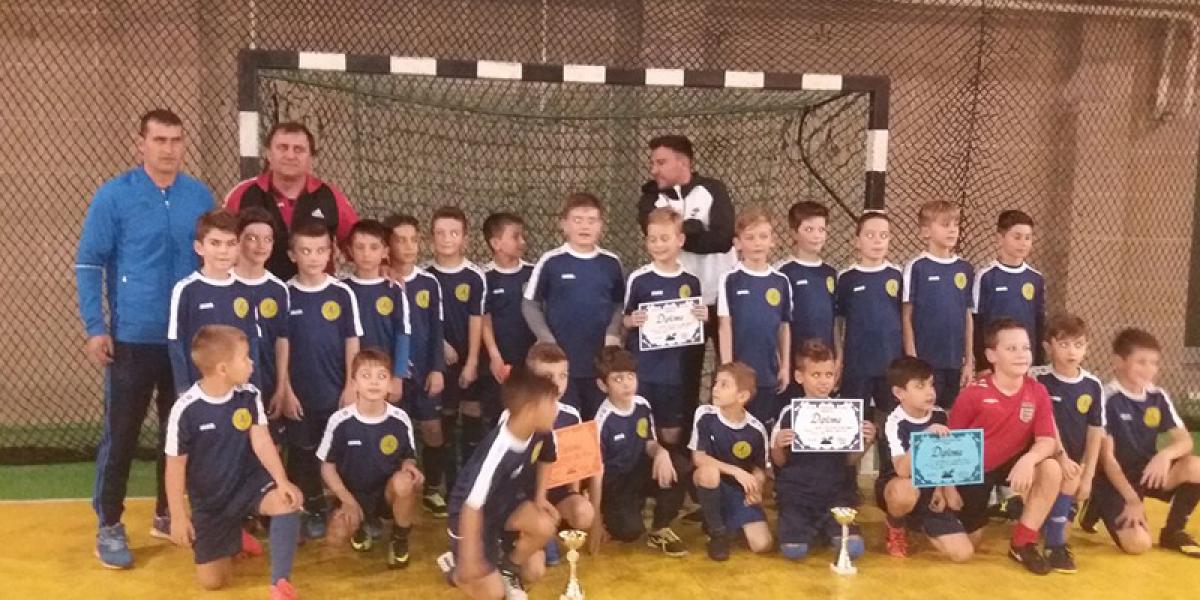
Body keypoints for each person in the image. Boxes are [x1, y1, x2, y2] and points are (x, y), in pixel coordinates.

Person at [75, 109, 215, 568]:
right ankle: (109, 524)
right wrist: (96, 327)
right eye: (159, 140)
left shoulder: (199, 196)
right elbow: (89, 263)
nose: (169, 149)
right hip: (132, 338)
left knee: (179, 434)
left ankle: (166, 512)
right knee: (122, 435)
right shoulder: (114, 196)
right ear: (141, 144)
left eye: (176, 140)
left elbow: (215, 261)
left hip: (186, 340)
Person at [163, 324, 301, 599]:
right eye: (245, 358)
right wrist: (178, 516)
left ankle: (280, 583)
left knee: (288, 502)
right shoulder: (186, 409)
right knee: (213, 582)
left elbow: (262, 442)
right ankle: (236, 537)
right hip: (211, 502)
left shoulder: (249, 395)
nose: (251, 363)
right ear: (223, 369)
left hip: (248, 485)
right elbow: (175, 467)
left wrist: (282, 480)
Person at [638, 135, 736, 441]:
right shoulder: (650, 199)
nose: (654, 169)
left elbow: (723, 239)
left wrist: (683, 232)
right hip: (679, 306)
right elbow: (660, 238)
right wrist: (695, 229)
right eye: (653, 162)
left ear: (684, 162)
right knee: (685, 377)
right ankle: (684, 447)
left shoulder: (713, 189)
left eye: (661, 162)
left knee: (729, 371)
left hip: (720, 300)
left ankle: (723, 438)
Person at [947, 318, 1062, 575]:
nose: (1021, 354)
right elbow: (949, 446)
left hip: (1012, 463)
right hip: (974, 470)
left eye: (1026, 348)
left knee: (1051, 469)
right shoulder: (972, 394)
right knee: (970, 544)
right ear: (991, 355)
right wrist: (948, 488)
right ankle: (984, 511)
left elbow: (1047, 440)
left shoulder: (1037, 391)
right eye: (1011, 349)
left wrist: (1029, 460)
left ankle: (1022, 542)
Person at [439, 368, 562, 600]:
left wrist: (540, 498)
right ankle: (456, 571)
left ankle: (507, 570)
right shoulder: (497, 452)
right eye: (551, 403)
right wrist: (470, 558)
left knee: (543, 532)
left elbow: (547, 457)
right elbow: (471, 506)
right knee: (493, 594)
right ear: (530, 410)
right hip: (470, 517)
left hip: (503, 506)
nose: (556, 409)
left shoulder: (540, 431)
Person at [1084, 328, 1200, 558]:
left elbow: (1185, 441)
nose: (1149, 370)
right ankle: (1097, 502)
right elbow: (1108, 460)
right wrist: (1132, 500)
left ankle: (1173, 532)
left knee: (1195, 466)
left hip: (1145, 472)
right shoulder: (1107, 398)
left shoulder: (1157, 396)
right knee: (1138, 544)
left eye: (1154, 363)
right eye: (1141, 362)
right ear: (1118, 362)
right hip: (1112, 479)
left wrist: (1164, 455)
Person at [284, 221, 363, 539]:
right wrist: (286, 390)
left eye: (320, 250)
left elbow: (352, 341)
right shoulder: (284, 294)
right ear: (292, 255)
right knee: (304, 453)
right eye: (305, 251)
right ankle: (314, 507)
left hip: (336, 392)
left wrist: (351, 385)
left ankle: (349, 507)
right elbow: (280, 347)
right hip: (299, 395)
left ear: (330, 253)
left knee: (339, 452)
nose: (313, 257)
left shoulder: (342, 293)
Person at [317, 348, 423, 569]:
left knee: (405, 482)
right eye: (366, 375)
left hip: (386, 494)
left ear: (391, 384)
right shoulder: (340, 421)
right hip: (352, 494)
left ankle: (399, 539)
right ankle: (361, 526)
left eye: (381, 376)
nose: (374, 382)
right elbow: (327, 467)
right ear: (354, 383)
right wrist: (346, 499)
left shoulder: (400, 419)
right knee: (335, 538)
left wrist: (410, 468)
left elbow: (408, 457)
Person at [772, 340, 875, 561]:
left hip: (835, 493)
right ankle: (805, 527)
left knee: (853, 549)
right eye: (816, 375)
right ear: (799, 377)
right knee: (794, 551)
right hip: (798, 494)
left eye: (829, 374)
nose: (823, 381)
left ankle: (825, 528)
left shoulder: (846, 413)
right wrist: (779, 444)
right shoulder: (789, 413)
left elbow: (849, 461)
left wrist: (866, 441)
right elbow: (779, 463)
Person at [523, 193, 624, 419]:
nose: (584, 226)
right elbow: (530, 304)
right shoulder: (551, 261)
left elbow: (620, 303)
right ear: (564, 224)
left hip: (599, 365)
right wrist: (546, 339)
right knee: (566, 425)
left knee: (597, 424)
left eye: (591, 220)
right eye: (577, 220)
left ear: (601, 225)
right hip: (561, 366)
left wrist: (612, 332)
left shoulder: (611, 263)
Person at [223, 121, 359, 280]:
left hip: (314, 291)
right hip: (256, 289)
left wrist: (380, 266)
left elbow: (358, 243)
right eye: (282, 148)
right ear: (268, 153)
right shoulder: (243, 194)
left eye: (299, 149)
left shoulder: (329, 196)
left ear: (311, 157)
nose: (290, 156)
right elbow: (221, 242)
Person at [588, 347, 687, 557]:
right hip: (615, 483)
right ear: (603, 385)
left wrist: (660, 452)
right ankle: (612, 513)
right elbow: (596, 472)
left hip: (638, 471)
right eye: (617, 379)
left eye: (630, 376)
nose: (626, 384)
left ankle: (660, 527)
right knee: (629, 532)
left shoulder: (642, 405)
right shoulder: (602, 420)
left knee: (679, 465)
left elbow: (649, 442)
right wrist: (595, 520)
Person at [503, 342, 595, 566]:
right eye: (548, 376)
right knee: (535, 567)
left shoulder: (571, 414)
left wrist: (575, 493)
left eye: (563, 376)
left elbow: (576, 461)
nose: (557, 383)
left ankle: (552, 529)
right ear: (530, 378)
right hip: (520, 495)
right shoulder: (513, 417)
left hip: (555, 490)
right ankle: (524, 534)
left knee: (584, 512)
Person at [1025, 313, 1104, 572]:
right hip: (1043, 460)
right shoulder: (1037, 378)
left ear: (1087, 347)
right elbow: (1046, 423)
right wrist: (1062, 457)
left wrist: (1088, 476)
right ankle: (1053, 543)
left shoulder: (1093, 385)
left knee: (1059, 525)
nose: (1072, 351)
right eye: (1064, 344)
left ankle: (1055, 536)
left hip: (1072, 465)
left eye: (1078, 344)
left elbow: (1095, 432)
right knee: (1061, 476)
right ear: (1048, 347)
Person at [384, 214, 450, 518]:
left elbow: (437, 330)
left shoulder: (429, 283)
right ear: (388, 245)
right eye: (401, 240)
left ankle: (433, 488)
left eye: (414, 239)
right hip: (391, 374)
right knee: (392, 430)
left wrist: (437, 368)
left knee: (432, 428)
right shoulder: (381, 281)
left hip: (425, 370)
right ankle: (391, 491)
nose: (409, 246)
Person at [876, 356, 973, 561]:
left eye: (931, 384)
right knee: (904, 492)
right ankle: (896, 525)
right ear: (899, 393)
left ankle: (918, 523)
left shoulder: (940, 416)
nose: (930, 392)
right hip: (899, 484)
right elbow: (902, 470)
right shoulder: (894, 422)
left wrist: (944, 489)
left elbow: (946, 459)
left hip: (931, 487)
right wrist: (925, 437)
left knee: (963, 554)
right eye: (920, 386)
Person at [624, 208, 705, 447]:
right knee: (641, 429)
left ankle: (669, 467)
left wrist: (702, 316)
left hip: (675, 372)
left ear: (680, 240)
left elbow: (695, 323)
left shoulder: (691, 281)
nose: (658, 245)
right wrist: (632, 320)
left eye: (664, 238)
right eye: (652, 239)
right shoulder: (639, 279)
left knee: (671, 434)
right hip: (644, 369)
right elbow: (624, 320)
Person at [424, 207, 488, 488]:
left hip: (469, 358)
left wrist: (472, 361)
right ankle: (447, 484)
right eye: (440, 233)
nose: (447, 238)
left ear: (465, 238)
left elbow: (477, 319)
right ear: (431, 239)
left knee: (472, 414)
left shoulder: (475, 276)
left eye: (453, 233)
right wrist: (440, 346)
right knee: (446, 418)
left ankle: (470, 482)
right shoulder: (425, 276)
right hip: (439, 362)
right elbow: (422, 320)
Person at [168, 211, 259, 397]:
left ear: (239, 247)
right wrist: (184, 391)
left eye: (230, 244)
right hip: (200, 391)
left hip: (238, 392)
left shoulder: (246, 292)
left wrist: (255, 390)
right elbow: (176, 343)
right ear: (199, 247)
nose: (223, 251)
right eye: (215, 243)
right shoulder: (186, 289)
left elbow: (253, 342)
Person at [717, 205, 792, 429]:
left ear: (772, 241)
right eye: (750, 238)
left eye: (763, 236)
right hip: (739, 372)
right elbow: (725, 326)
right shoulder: (730, 279)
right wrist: (727, 368)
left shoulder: (781, 281)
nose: (757, 243)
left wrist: (785, 366)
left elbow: (784, 326)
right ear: (738, 243)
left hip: (768, 372)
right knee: (735, 426)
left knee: (764, 427)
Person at [689, 361, 772, 561]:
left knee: (763, 545)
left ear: (742, 396)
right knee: (709, 472)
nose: (715, 388)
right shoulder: (705, 415)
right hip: (711, 483)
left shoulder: (756, 429)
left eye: (724, 385)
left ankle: (725, 519)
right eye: (716, 383)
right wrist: (736, 471)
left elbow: (760, 469)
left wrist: (756, 489)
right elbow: (698, 458)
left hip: (738, 491)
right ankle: (717, 534)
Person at [901, 200, 974, 408]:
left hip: (955, 362)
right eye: (945, 224)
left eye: (955, 224)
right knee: (925, 413)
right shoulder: (917, 267)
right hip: (926, 361)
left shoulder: (965, 268)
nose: (952, 230)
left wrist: (969, 361)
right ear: (925, 231)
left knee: (952, 414)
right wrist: (913, 360)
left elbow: (967, 316)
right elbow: (906, 316)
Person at [836, 211, 903, 419]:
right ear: (857, 241)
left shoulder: (898, 275)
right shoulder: (846, 278)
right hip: (857, 366)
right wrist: (839, 357)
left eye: (884, 235)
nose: (877, 241)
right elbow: (838, 321)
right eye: (870, 235)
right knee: (853, 423)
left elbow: (906, 317)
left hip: (891, 365)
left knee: (891, 422)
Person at [234, 207, 291, 441]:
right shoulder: (223, 283)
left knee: (269, 445)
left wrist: (281, 386)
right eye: (252, 238)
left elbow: (282, 340)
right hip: (231, 382)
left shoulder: (278, 289)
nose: (261, 245)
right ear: (238, 241)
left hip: (266, 381)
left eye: (267, 239)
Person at [342, 219, 411, 403]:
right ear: (350, 251)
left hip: (383, 374)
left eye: (374, 247)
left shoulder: (394, 289)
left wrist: (398, 376)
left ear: (385, 252)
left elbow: (402, 333)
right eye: (360, 247)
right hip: (351, 376)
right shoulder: (341, 290)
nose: (366, 254)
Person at [479, 212, 535, 429]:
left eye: (523, 236)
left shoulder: (533, 273)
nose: (523, 242)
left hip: (529, 358)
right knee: (497, 414)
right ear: (496, 243)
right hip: (499, 360)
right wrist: (495, 356)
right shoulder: (483, 276)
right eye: (515, 236)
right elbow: (483, 318)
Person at [973, 209, 1045, 368]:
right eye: (1017, 237)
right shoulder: (986, 276)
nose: (1023, 243)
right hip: (994, 362)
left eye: (1028, 237)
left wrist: (1038, 363)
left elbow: (1039, 323)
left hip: (1025, 362)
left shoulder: (1036, 278)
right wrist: (982, 364)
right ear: (1000, 239)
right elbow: (977, 323)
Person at [774, 201, 837, 363]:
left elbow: (836, 321)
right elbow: (777, 321)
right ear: (794, 233)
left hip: (824, 360)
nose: (817, 235)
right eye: (809, 229)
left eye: (821, 230)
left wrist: (837, 355)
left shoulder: (830, 273)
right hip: (794, 357)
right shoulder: (783, 272)